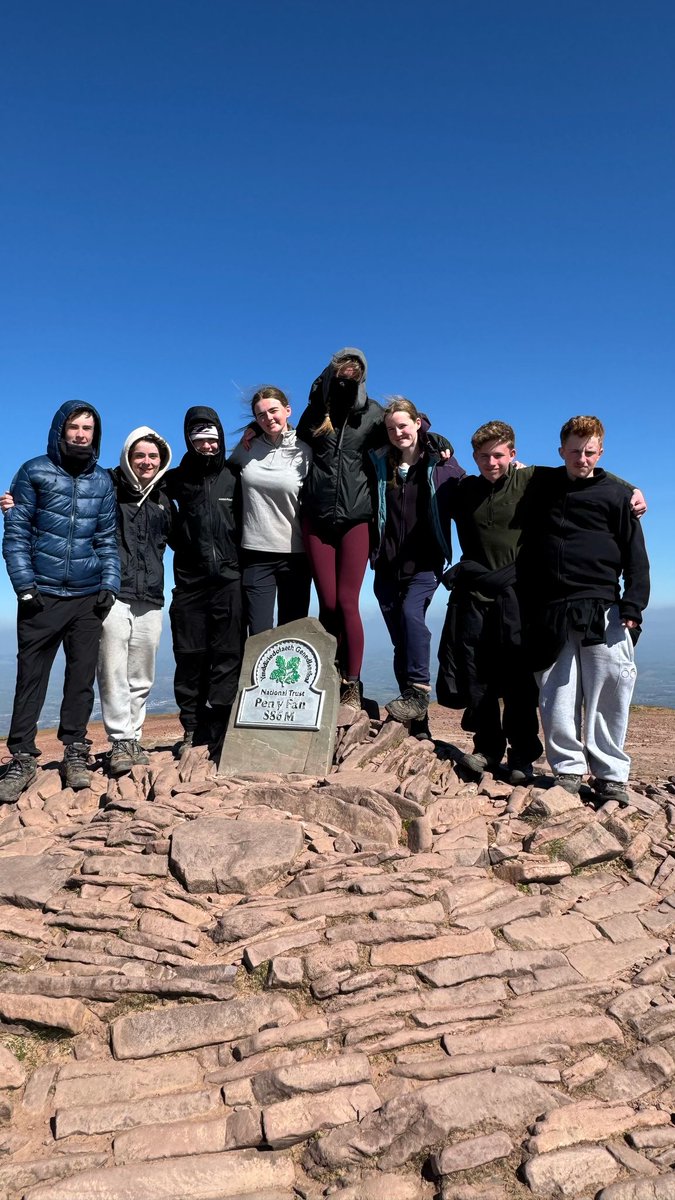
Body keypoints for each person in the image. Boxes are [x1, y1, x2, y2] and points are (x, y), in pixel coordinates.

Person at [436, 419, 646, 786]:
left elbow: (585, 470)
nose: (491, 462)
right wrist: (433, 441)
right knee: (484, 676)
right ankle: (492, 750)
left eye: (499, 455)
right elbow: (432, 476)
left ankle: (526, 756)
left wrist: (633, 489)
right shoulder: (465, 489)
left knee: (522, 680)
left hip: (523, 595)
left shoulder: (531, 479)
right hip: (484, 595)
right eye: (483, 456)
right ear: (474, 457)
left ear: (512, 454)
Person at [520, 415, 650, 802]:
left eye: (589, 452)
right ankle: (568, 771)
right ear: (561, 451)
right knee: (557, 694)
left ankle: (611, 775)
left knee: (610, 692)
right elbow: (506, 465)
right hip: (552, 607)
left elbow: (636, 557)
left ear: (601, 452)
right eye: (575, 451)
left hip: (604, 607)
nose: (582, 458)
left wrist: (633, 606)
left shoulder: (617, 496)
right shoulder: (542, 484)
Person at [0, 401, 120, 801]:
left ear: (95, 435)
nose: (81, 434)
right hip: (42, 595)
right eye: (74, 427)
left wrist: (109, 584)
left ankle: (75, 751)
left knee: (81, 679)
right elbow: (16, 533)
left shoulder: (101, 481)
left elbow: (106, 538)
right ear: (60, 430)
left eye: (88, 428)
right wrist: (25, 586)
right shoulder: (34, 471)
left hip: (87, 596)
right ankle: (22, 758)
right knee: (30, 679)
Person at [369, 397, 465, 740]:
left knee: (412, 615)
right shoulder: (380, 463)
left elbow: (467, 489)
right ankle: (417, 721)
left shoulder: (439, 463)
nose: (398, 433)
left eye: (404, 425)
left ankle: (420, 689)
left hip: (425, 562)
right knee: (401, 643)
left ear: (417, 424)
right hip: (386, 565)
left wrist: (516, 473)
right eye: (391, 428)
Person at [296, 348, 384, 709]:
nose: (347, 380)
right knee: (328, 602)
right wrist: (254, 430)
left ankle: (352, 683)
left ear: (362, 378)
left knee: (347, 601)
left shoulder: (373, 414)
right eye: (341, 374)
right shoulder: (315, 413)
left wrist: (427, 431)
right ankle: (327, 673)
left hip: (355, 516)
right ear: (330, 375)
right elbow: (287, 439)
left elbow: (403, 430)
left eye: (354, 375)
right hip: (316, 517)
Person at [164, 407, 242, 757]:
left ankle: (222, 722)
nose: (207, 446)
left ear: (220, 438)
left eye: (212, 440)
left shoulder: (235, 476)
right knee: (190, 656)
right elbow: (132, 482)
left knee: (228, 655)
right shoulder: (175, 479)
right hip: (189, 582)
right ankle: (193, 726)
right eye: (200, 441)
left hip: (229, 578)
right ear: (189, 441)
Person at [97, 427, 173, 776]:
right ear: (127, 457)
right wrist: (19, 506)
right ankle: (119, 740)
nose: (146, 461)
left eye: (153, 456)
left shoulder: (163, 498)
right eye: (139, 455)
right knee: (113, 670)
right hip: (114, 593)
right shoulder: (107, 488)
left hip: (151, 596)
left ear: (162, 460)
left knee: (142, 674)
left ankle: (134, 738)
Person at [229, 387, 312, 635]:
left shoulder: (306, 450)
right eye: (261, 415)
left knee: (292, 635)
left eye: (273, 411)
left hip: (295, 554)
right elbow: (221, 476)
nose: (268, 418)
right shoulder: (246, 449)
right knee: (259, 635)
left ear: (288, 410)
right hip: (255, 554)